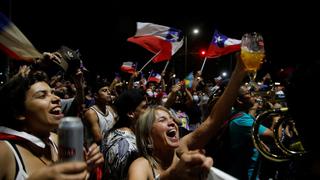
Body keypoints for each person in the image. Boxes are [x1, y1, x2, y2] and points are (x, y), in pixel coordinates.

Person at [128, 54, 247, 179]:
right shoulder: (141, 165)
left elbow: (213, 120)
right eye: (162, 120)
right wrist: (172, 175)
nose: (172, 122)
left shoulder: (181, 148)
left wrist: (238, 72)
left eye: (171, 118)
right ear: (148, 136)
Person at [0, 66, 103, 179]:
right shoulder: (4, 152)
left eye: (52, 92)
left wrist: (87, 169)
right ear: (18, 112)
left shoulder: (57, 141)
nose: (56, 98)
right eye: (42, 95)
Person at [226, 85, 273, 180]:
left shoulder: (238, 114)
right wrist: (276, 117)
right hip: (247, 174)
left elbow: (249, 128)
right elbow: (273, 135)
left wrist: (258, 141)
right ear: (239, 100)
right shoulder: (241, 119)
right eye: (248, 93)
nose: (253, 95)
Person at [101, 88, 148, 180]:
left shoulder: (110, 133)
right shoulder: (131, 147)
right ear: (131, 113)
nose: (148, 111)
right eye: (144, 107)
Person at [83, 78, 117, 145]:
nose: (109, 92)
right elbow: (98, 139)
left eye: (108, 90)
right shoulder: (91, 113)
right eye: (104, 91)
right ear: (96, 95)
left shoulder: (110, 109)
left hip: (109, 147)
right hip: (96, 152)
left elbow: (116, 129)